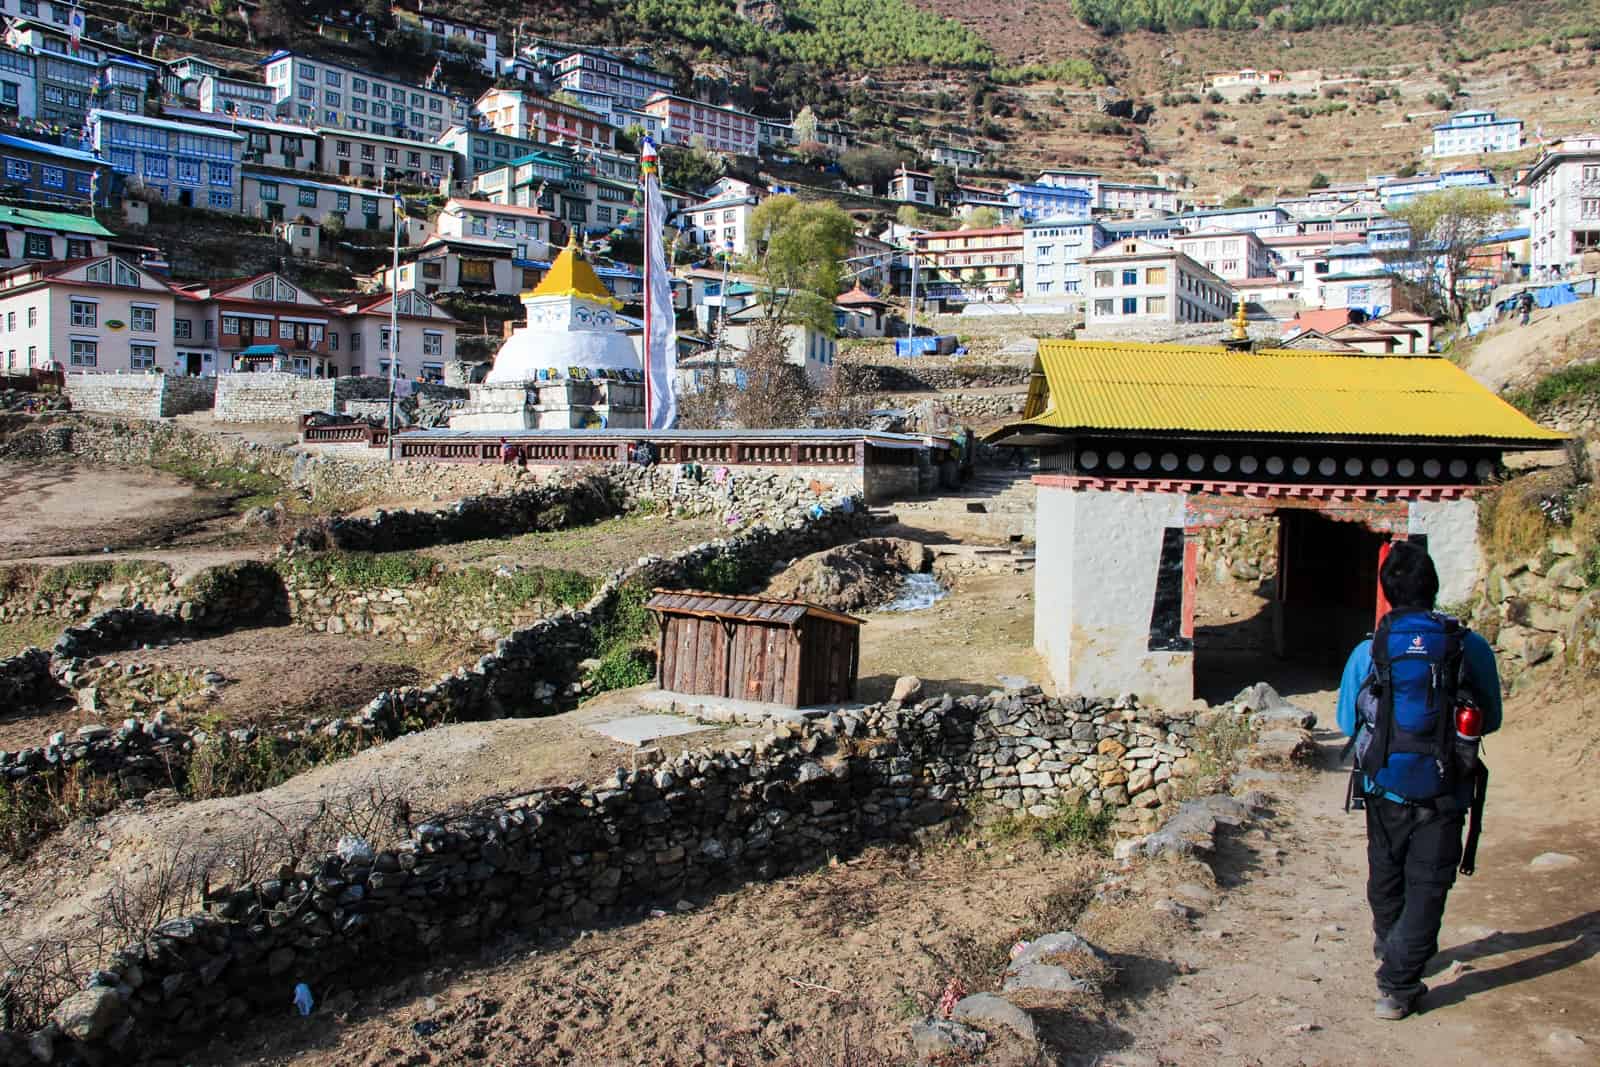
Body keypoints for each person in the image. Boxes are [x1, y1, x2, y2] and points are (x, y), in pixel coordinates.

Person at [1337, 541, 1501, 1021]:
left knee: (1386, 876)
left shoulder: (1370, 649)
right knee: (1429, 884)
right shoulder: (1468, 646)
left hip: (1383, 787)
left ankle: (1392, 951)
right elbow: (1489, 719)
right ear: (1433, 589)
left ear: (1387, 593)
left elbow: (1349, 722)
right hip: (1446, 789)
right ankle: (1398, 983)